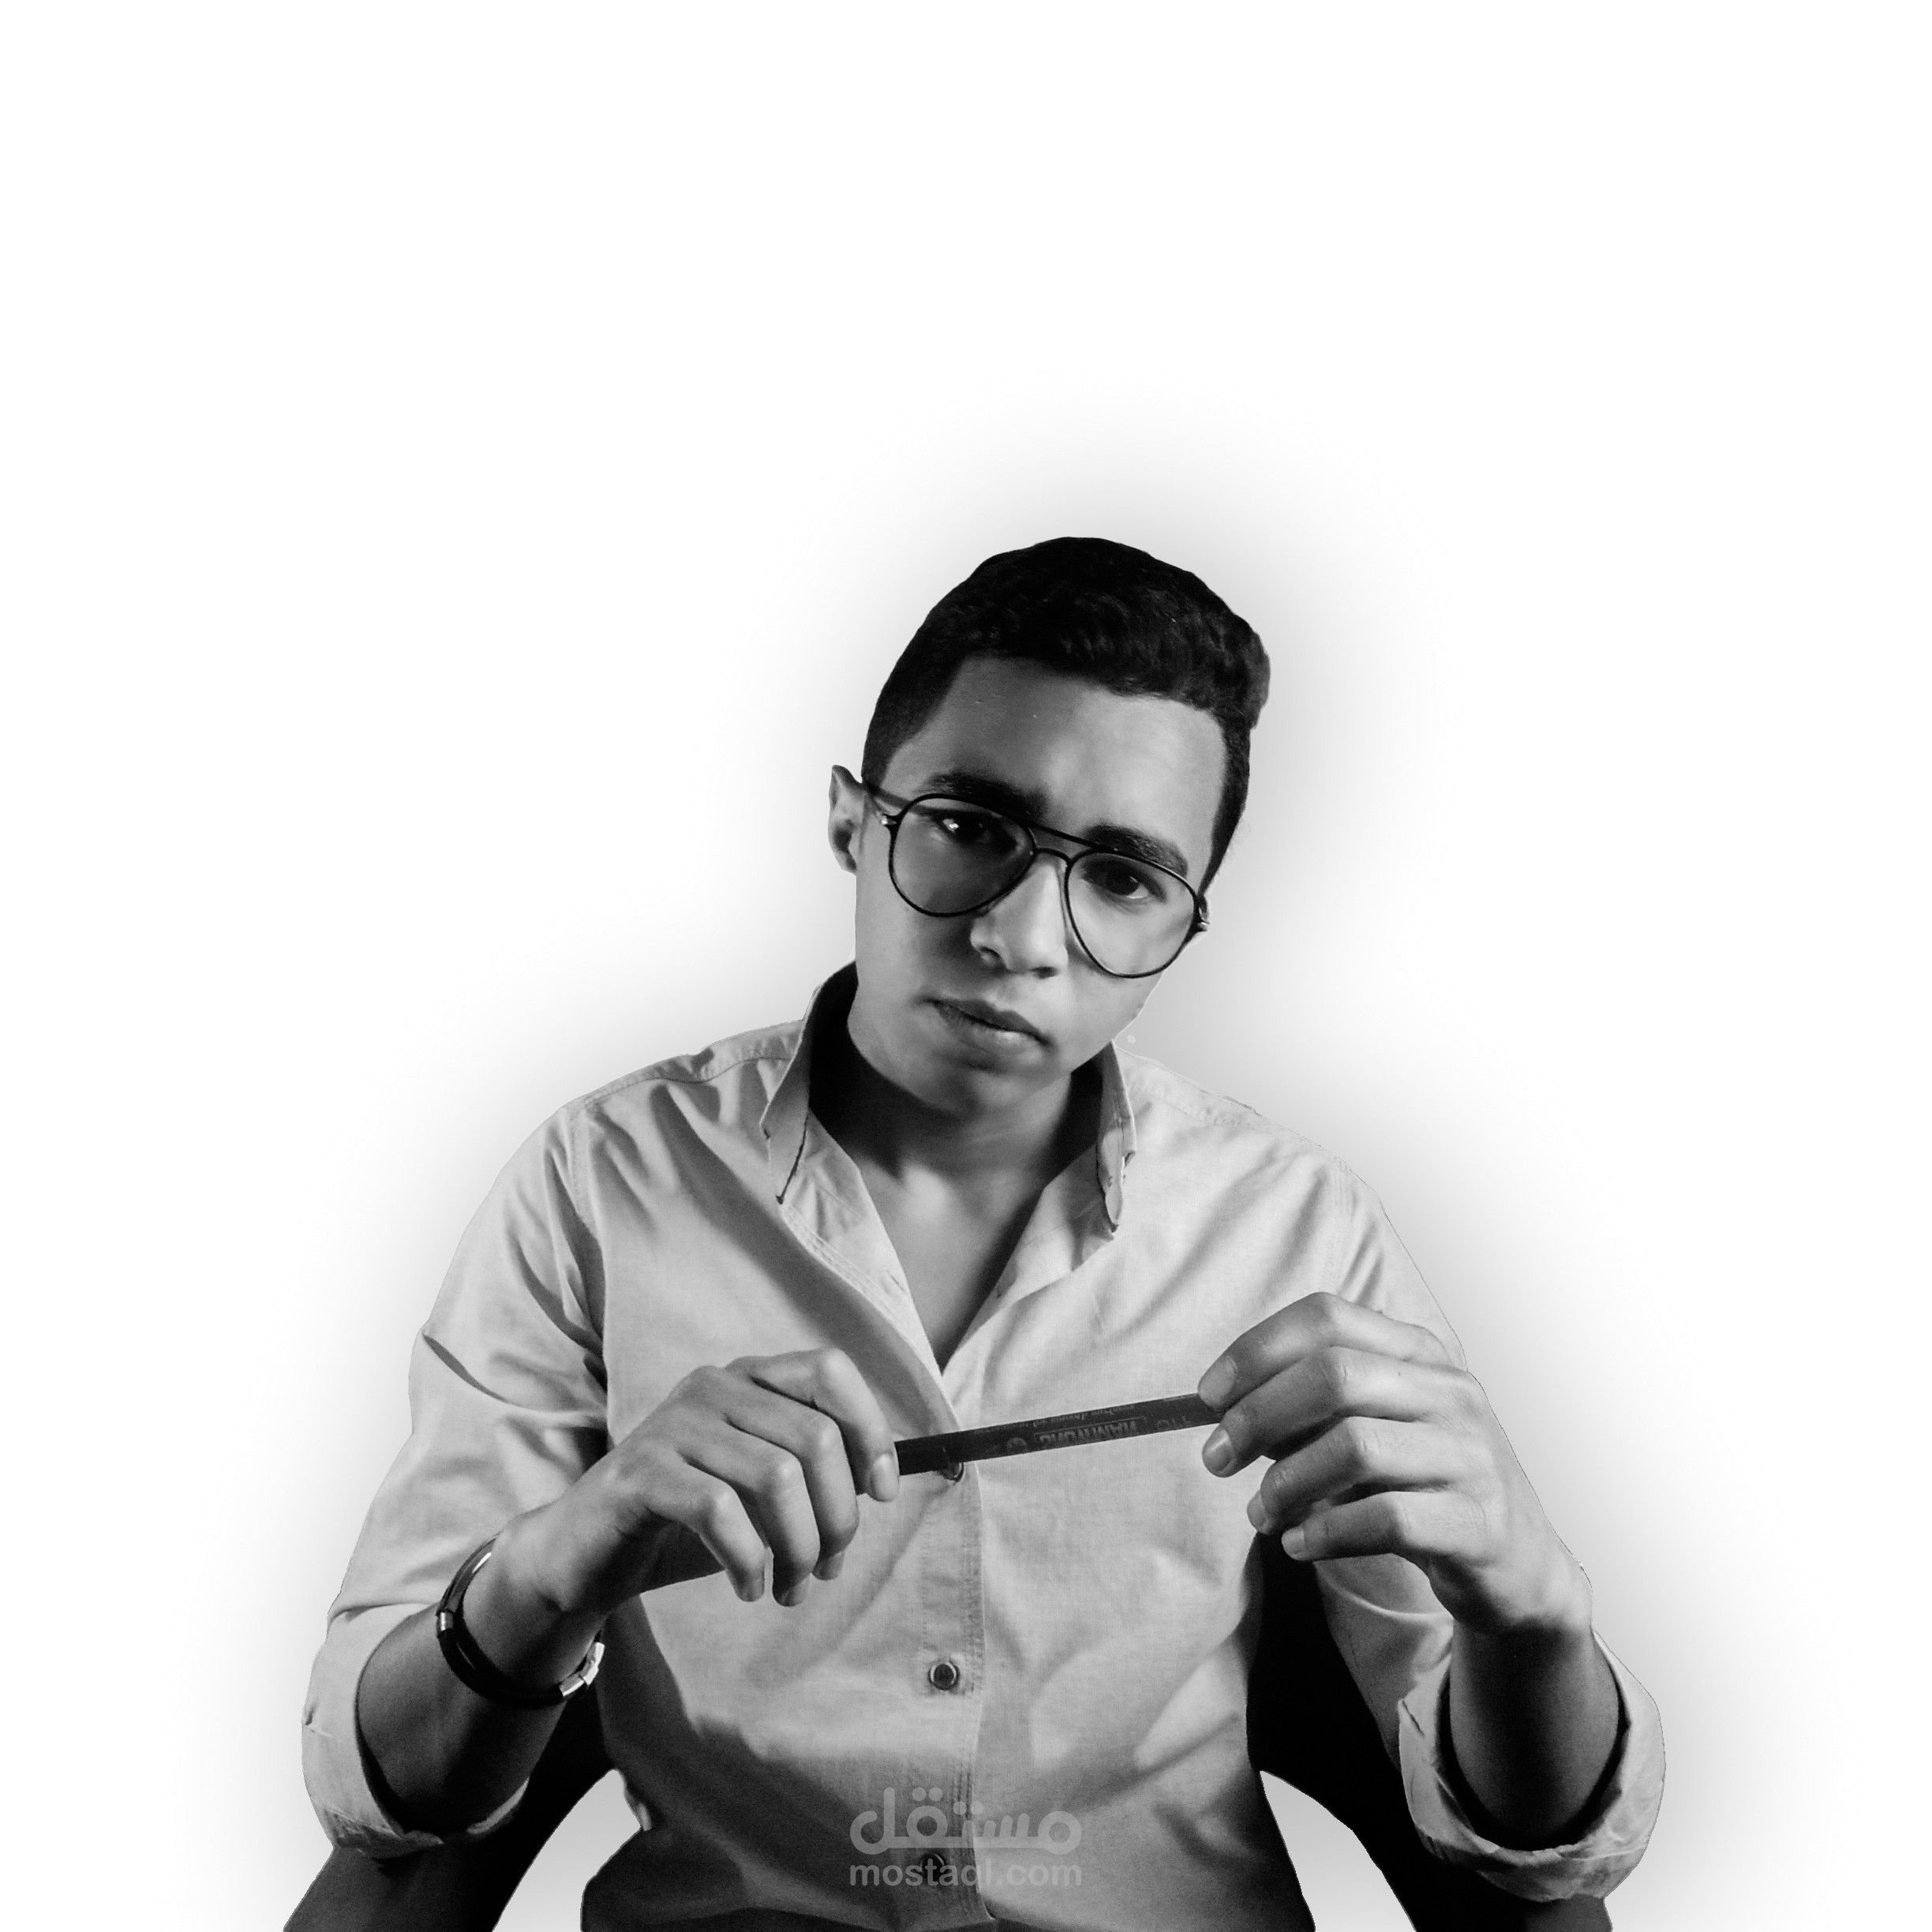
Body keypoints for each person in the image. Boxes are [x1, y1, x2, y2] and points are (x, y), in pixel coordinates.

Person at [301, 536, 1663, 1930]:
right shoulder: (601, 1184)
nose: (1022, 936)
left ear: (1188, 926)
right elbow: (376, 1791)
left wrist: (1533, 1615)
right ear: (852, 819)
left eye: (1122, 878)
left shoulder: (1293, 1230)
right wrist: (558, 1561)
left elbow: (1534, 1852)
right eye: (968, 826)